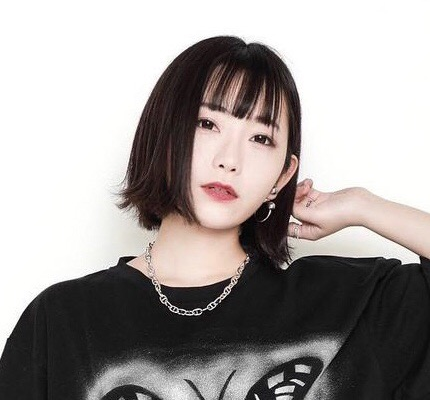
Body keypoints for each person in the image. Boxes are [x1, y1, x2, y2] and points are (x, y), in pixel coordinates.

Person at [0, 35, 429, 399]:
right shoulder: (62, 321)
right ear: (164, 134)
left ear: (282, 177)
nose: (230, 159)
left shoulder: (347, 306)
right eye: (207, 124)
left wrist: (363, 206)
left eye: (261, 138)